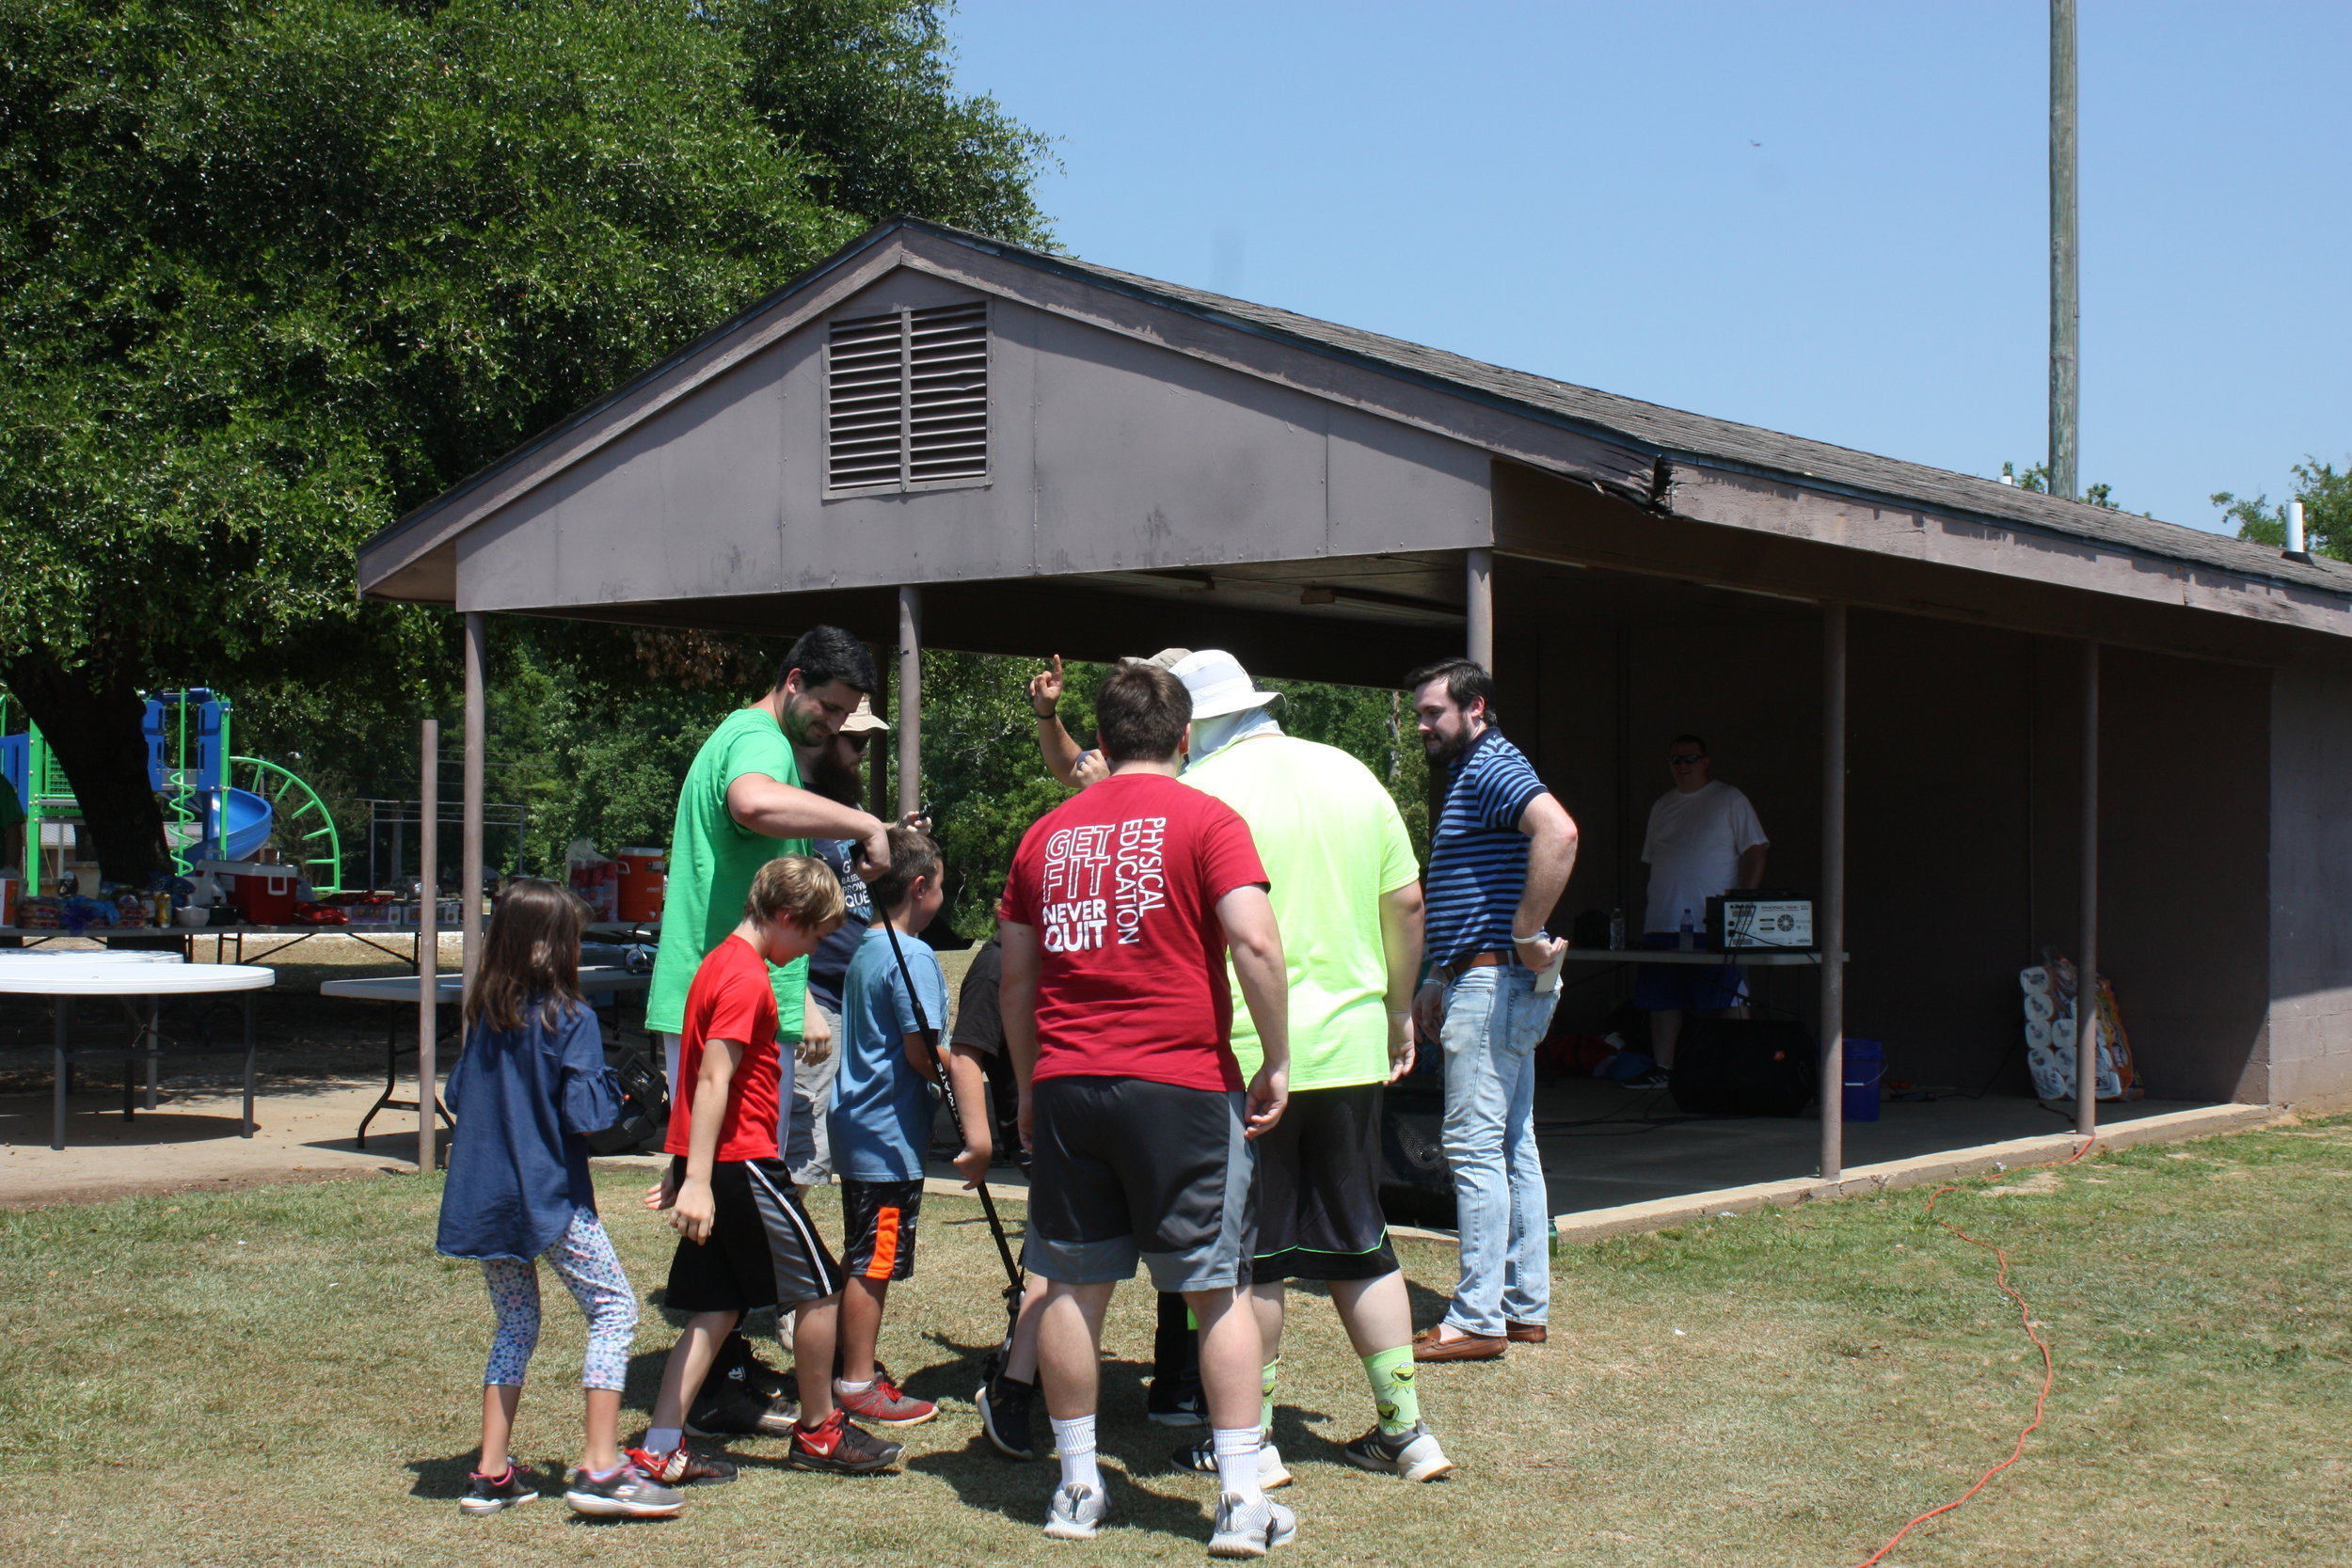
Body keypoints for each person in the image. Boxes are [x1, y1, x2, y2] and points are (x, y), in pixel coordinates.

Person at [997, 662, 1297, 1553]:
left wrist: (1027, 1084)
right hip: (1180, 1082)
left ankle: (1078, 1487)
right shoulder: (1209, 818)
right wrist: (1276, 1056)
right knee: (1216, 1288)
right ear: (1182, 737)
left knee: (1070, 1286)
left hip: (1067, 1082)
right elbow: (1253, 937)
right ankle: (1243, 1501)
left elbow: (1017, 979)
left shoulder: (1043, 835)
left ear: (1104, 735)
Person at [1166, 649, 1450, 1483]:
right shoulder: (1352, 773)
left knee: (1246, 1259)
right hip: (1354, 1043)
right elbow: (1405, 902)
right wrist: (1399, 1008)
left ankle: (1250, 1440)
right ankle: (1406, 1428)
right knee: (1363, 1242)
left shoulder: (1200, 792)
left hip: (1247, 1051)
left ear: (1192, 726)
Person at [635, 856, 904, 1481]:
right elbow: (712, 1077)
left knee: (716, 1310)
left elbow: (694, 1070)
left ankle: (661, 1441)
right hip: (744, 1162)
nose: (809, 949)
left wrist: (682, 1162)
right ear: (785, 917)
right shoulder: (744, 976)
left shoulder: (717, 964)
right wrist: (696, 1178)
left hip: (721, 1164)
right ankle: (819, 1430)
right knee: (820, 1288)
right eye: (810, 936)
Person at [435, 879, 683, 1520]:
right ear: (547, 947)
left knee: (516, 1323)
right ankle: (601, 1464)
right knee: (614, 1308)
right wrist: (627, 1094)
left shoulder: (486, 1015)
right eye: (571, 938)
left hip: (487, 1200)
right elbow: (585, 1113)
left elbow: (456, 1096)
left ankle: (491, 1471)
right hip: (548, 1197)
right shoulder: (570, 1018)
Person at [1405, 657, 1579, 1364]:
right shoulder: (1473, 773)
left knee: (1476, 1148)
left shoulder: (1491, 765)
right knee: (1512, 1144)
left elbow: (1559, 832)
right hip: (1485, 979)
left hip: (1494, 981)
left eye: (1433, 713)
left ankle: (1478, 1315)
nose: (1423, 725)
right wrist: (1435, 973)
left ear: (1475, 708)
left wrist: (1524, 932)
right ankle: (1521, 1305)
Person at [644, 626, 896, 1102]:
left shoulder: (750, 737)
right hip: (729, 1006)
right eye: (830, 706)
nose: (837, 724)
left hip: (728, 1000)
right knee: (736, 1173)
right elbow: (752, 803)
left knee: (718, 1170)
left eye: (845, 713)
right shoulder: (762, 741)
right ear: (795, 680)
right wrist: (867, 826)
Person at [828, 826, 992, 1430]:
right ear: (919, 887)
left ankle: (851, 1363)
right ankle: (857, 1381)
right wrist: (965, 1071)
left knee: (863, 1252)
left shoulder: (865, 947)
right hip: (886, 1137)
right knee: (878, 1258)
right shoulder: (914, 956)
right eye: (942, 887)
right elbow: (924, 1050)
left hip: (860, 1127)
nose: (943, 899)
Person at [792, 696, 897, 1189]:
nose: (861, 753)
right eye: (855, 741)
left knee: (826, 1146)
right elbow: (777, 920)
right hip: (815, 1003)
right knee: (804, 1153)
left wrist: (892, 834)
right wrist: (804, 1002)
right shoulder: (796, 805)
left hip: (846, 1000)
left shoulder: (843, 804)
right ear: (828, 736)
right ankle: (783, 1258)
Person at [1632, 734, 1769, 1085]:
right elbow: (1654, 859)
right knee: (1662, 997)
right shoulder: (1662, 806)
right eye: (1676, 760)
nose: (1683, 766)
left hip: (1713, 922)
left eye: (1690, 759)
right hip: (1663, 919)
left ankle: (1741, 1068)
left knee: (1730, 993)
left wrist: (1743, 904)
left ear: (1705, 762)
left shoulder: (1729, 798)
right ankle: (1664, 1068)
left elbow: (1756, 848)